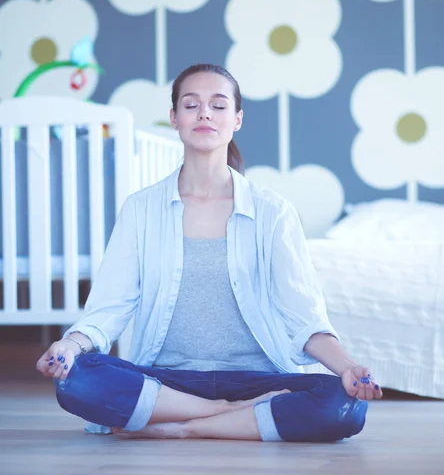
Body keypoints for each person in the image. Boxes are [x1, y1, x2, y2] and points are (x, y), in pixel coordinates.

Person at [36, 64, 382, 442]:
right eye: (191, 104)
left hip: (258, 378)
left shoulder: (273, 211)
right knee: (76, 381)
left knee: (344, 404)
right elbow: (109, 308)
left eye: (218, 105)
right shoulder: (141, 209)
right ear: (174, 118)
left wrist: (348, 367)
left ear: (237, 119)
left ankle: (181, 428)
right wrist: (70, 345)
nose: (204, 113)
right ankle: (227, 416)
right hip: (167, 380)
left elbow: (304, 316)